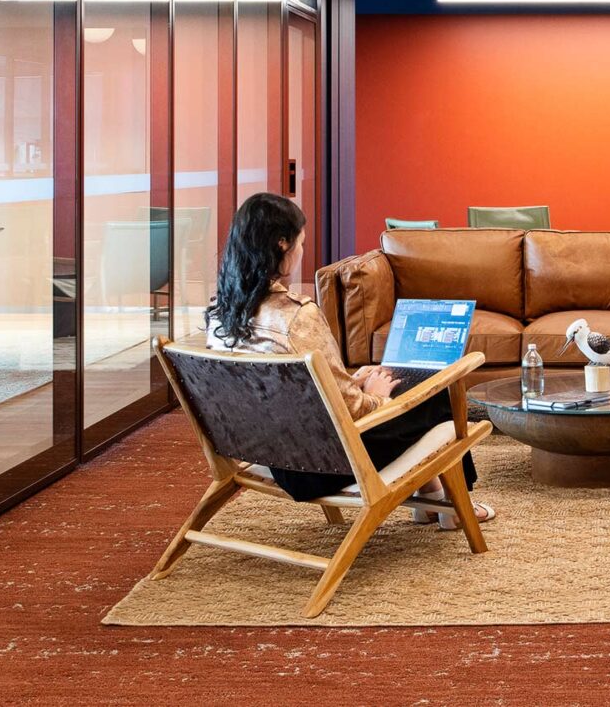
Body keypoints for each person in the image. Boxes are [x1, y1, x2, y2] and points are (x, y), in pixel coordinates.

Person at [202, 193, 491, 528]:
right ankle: (455, 507)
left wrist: (351, 381)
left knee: (405, 388)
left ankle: (432, 501)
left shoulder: (219, 316)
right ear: (282, 245)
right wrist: (376, 394)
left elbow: (284, 390)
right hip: (327, 464)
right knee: (437, 392)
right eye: (301, 242)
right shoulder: (297, 316)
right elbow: (353, 412)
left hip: (275, 456)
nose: (301, 251)